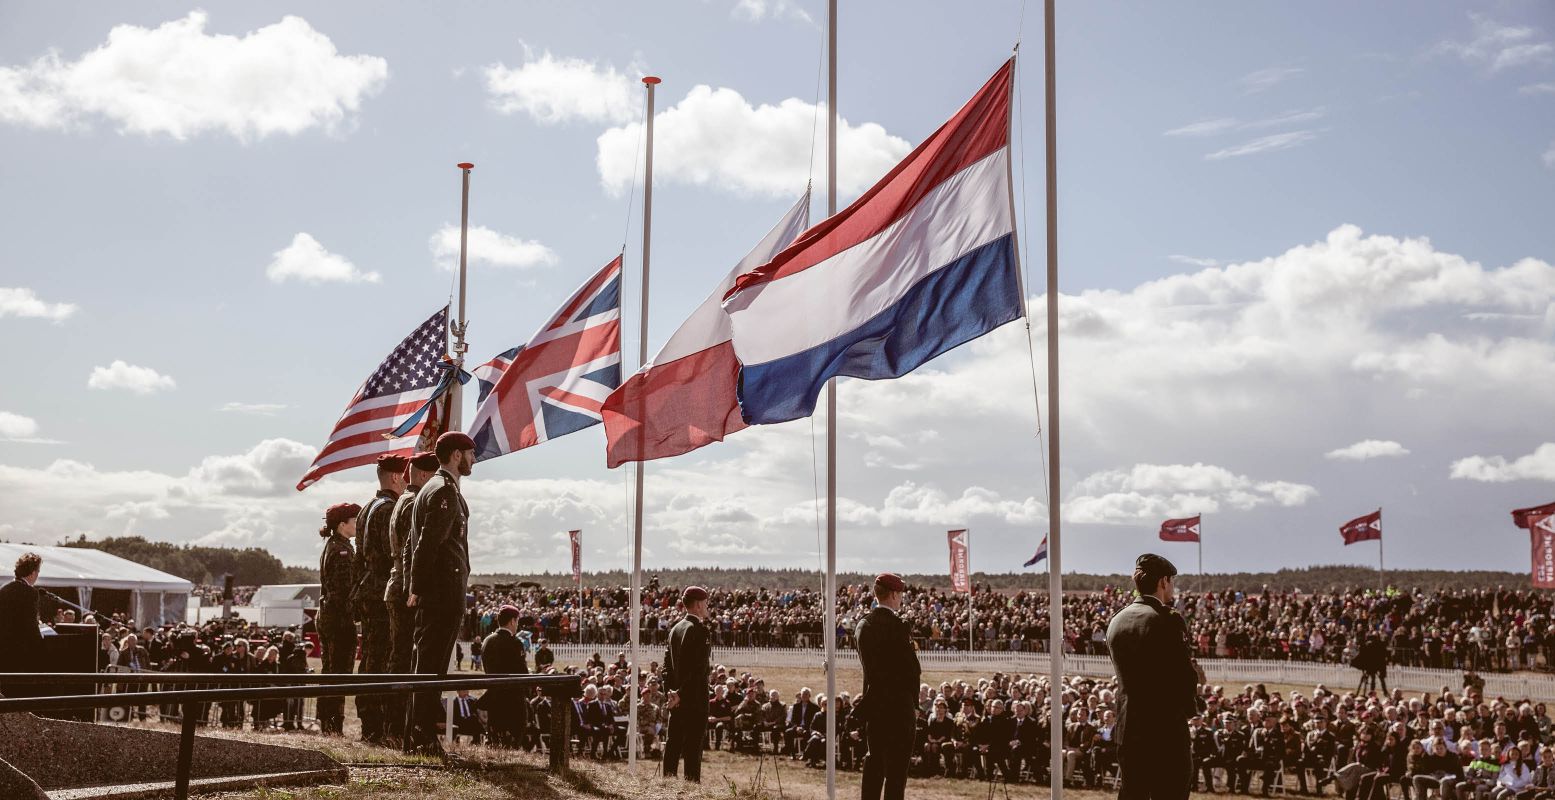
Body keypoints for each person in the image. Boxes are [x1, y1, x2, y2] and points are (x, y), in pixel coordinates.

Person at [1105, 553, 1205, 800]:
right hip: (1164, 729)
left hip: (1129, 727)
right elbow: (1183, 675)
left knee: (1133, 793)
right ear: (1163, 582)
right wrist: (1193, 707)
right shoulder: (1167, 619)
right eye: (1172, 581)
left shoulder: (1117, 620)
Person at [407, 431, 475, 754]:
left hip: (441, 592)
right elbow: (426, 545)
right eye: (469, 453)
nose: (474, 459)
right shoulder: (443, 492)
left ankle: (416, 734)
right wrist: (417, 588)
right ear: (456, 455)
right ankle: (421, 737)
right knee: (431, 666)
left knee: (429, 665)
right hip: (441, 594)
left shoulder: (435, 489)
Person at [385, 450, 437, 746]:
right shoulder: (414, 503)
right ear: (423, 475)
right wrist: (415, 591)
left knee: (400, 658)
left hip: (398, 585)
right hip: (407, 589)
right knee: (406, 662)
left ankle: (396, 728)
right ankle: (398, 730)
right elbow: (412, 553)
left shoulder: (403, 500)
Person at [353, 453, 405, 744]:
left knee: (371, 656)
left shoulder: (367, 508)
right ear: (396, 477)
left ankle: (369, 722)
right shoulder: (388, 510)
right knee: (381, 657)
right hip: (381, 589)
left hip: (367, 587)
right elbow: (391, 553)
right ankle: (376, 724)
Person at [856, 572, 922, 800]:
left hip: (875, 705)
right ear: (894, 595)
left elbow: (873, 671)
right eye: (900, 594)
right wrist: (914, 704)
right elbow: (913, 670)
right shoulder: (900, 626)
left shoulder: (864, 625)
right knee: (896, 775)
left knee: (874, 763)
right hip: (900, 708)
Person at [316, 502, 360, 735]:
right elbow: (344, 591)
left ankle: (329, 723)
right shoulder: (342, 550)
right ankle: (333, 725)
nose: (357, 524)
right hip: (339, 619)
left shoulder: (334, 545)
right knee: (338, 673)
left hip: (330, 616)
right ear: (343, 525)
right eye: (354, 520)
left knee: (330, 671)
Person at [662, 585, 712, 781]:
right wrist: (681, 693)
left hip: (677, 699)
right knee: (693, 749)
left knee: (673, 744)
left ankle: (667, 784)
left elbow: (667, 667)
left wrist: (671, 693)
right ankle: (691, 790)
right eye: (706, 603)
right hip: (694, 699)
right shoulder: (699, 631)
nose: (707, 606)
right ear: (698, 605)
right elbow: (698, 671)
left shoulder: (675, 628)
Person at [479, 605, 528, 747]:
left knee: (495, 737)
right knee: (512, 739)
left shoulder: (487, 641)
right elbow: (522, 672)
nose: (517, 625)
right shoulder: (514, 643)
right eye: (517, 621)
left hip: (493, 695)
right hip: (512, 698)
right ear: (512, 621)